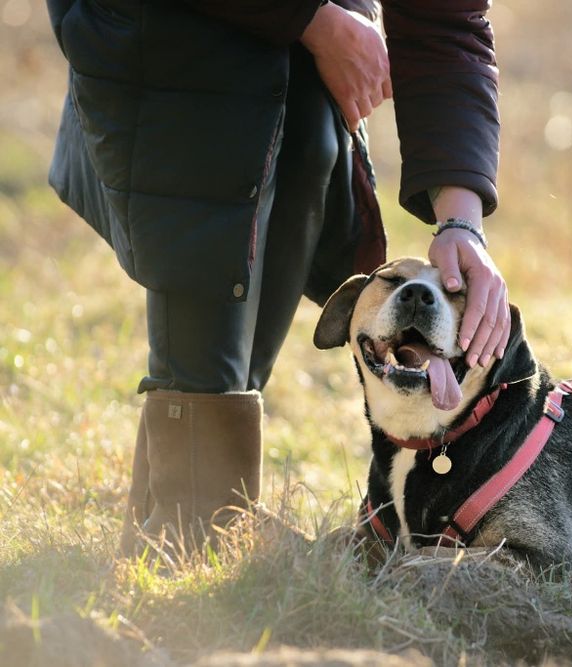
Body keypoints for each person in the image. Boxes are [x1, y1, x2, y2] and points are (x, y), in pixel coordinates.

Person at [44, 0, 510, 552]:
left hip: (302, 55)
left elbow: (446, 20)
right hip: (163, 35)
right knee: (223, 129)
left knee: (308, 135)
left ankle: (192, 507)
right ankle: (192, 521)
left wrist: (462, 223)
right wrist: (314, 21)